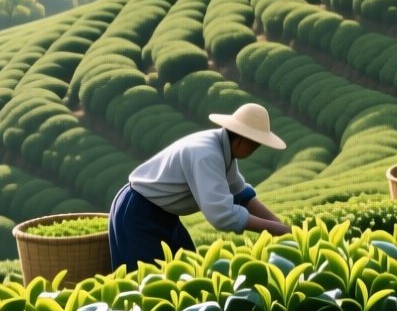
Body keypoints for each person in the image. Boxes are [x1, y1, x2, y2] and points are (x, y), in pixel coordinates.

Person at [109, 103, 290, 271]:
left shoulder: (223, 151)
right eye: (254, 144)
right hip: (139, 212)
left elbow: (240, 194)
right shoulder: (208, 154)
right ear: (241, 139)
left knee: (189, 270)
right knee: (147, 281)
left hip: (165, 215)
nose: (255, 149)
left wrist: (281, 227)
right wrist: (275, 229)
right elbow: (222, 215)